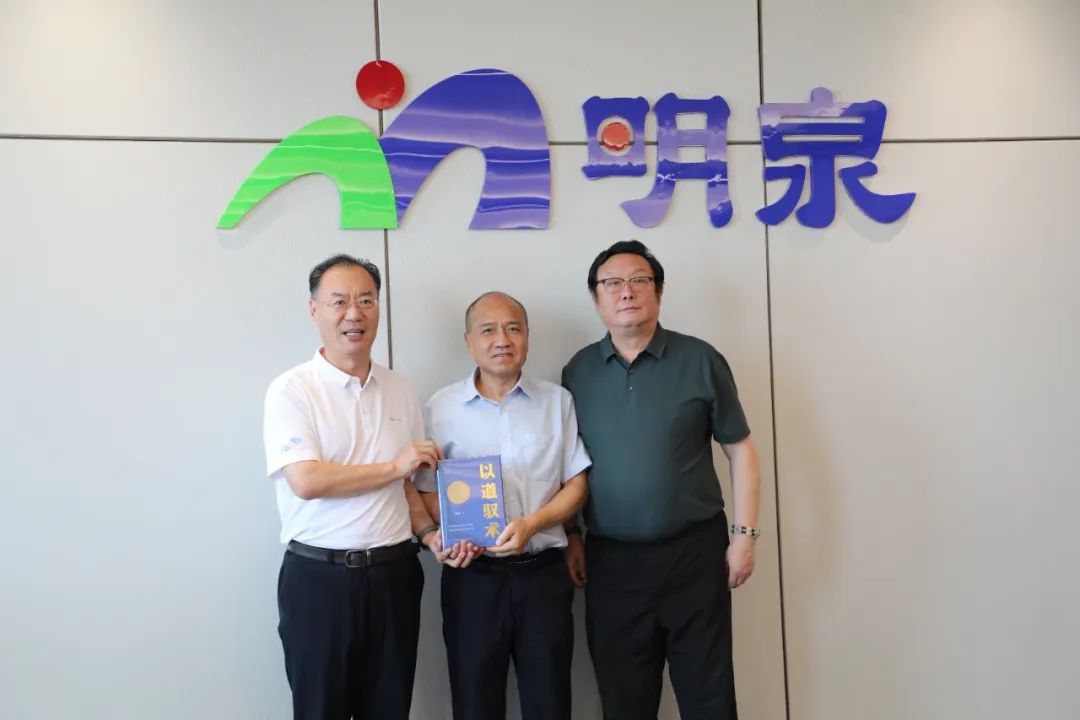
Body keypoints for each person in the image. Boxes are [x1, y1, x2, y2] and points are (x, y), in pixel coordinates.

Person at [561, 240, 762, 720]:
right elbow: (566, 465)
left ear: (659, 291)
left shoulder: (700, 360)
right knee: (624, 700)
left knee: (708, 696)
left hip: (694, 555)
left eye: (639, 280)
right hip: (611, 561)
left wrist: (745, 536)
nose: (626, 292)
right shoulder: (578, 371)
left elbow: (741, 450)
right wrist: (571, 534)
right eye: (612, 283)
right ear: (596, 297)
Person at [263, 254, 461, 720]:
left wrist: (430, 533)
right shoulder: (292, 390)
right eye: (340, 302)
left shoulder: (400, 389)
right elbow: (307, 480)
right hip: (320, 579)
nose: (354, 313)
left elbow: (406, 484)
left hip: (394, 575)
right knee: (320, 709)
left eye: (366, 300)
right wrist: (394, 466)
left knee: (389, 708)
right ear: (315, 311)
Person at [416, 291, 591, 720]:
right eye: (488, 330)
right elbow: (424, 489)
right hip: (473, 579)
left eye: (513, 328)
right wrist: (455, 533)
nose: (502, 340)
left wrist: (533, 523)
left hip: (543, 578)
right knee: (475, 703)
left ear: (528, 336)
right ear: (468, 341)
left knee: (550, 704)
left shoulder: (557, 402)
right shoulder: (441, 407)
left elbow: (576, 484)